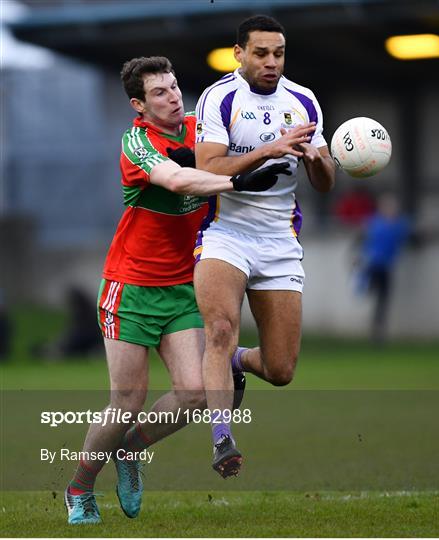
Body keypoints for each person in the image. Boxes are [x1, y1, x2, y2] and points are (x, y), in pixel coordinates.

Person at [64, 55, 287, 525]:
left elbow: (227, 146)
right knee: (127, 400)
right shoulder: (135, 142)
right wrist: (237, 180)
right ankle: (79, 489)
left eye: (174, 86)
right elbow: (176, 177)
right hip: (131, 287)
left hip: (183, 286)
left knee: (194, 392)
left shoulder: (197, 126)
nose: (173, 96)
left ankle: (129, 453)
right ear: (138, 105)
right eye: (160, 92)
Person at [194, 15, 336, 478]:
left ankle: (239, 361)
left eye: (278, 53)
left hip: (279, 239)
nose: (271, 62)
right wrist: (268, 149)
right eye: (261, 53)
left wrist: (318, 158)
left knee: (280, 370)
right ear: (239, 54)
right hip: (225, 231)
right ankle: (221, 439)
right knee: (218, 329)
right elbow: (209, 168)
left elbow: (325, 182)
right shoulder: (219, 97)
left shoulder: (305, 101)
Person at [356, 193, 411, 342]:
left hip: (385, 267)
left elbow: (411, 237)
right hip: (373, 265)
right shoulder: (375, 223)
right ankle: (375, 325)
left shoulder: (399, 225)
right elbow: (362, 240)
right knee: (375, 295)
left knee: (382, 299)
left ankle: (378, 327)